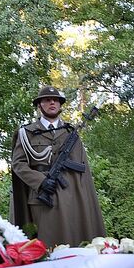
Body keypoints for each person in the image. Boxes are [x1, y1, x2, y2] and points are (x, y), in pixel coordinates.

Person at [9, 86, 106, 246]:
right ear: (39, 105)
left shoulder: (71, 133)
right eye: (47, 100)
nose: (52, 102)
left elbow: (82, 169)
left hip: (71, 199)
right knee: (45, 247)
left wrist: (83, 199)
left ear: (60, 105)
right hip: (42, 199)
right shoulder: (26, 133)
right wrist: (41, 181)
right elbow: (18, 164)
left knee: (73, 244)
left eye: (56, 100)